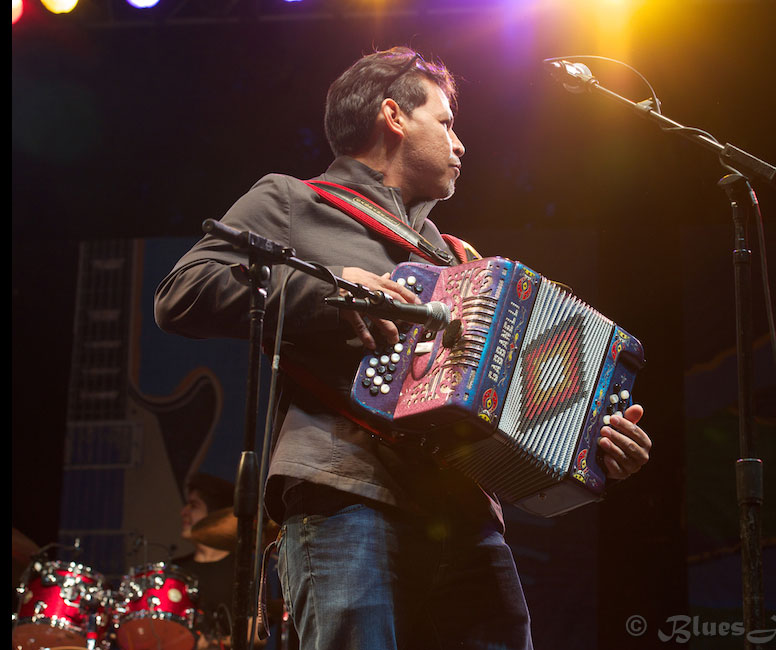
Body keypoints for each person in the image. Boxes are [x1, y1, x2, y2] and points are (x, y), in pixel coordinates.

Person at [154, 46, 652, 650]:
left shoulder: (463, 264)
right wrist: (328, 289)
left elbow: (522, 404)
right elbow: (180, 294)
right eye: (446, 123)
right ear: (393, 115)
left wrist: (589, 445)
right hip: (347, 496)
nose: (461, 144)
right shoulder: (294, 201)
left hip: (467, 517)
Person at [175, 473, 239, 649]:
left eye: (194, 506)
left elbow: (258, 634)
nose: (184, 512)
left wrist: (212, 643)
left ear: (216, 516)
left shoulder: (242, 570)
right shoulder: (176, 570)